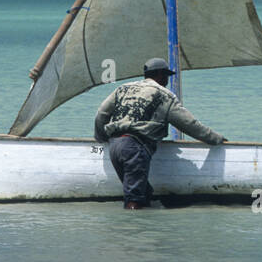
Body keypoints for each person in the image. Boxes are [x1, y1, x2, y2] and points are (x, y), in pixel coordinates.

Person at [94, 57, 227, 209]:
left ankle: (147, 226)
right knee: (134, 199)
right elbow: (189, 124)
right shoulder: (165, 95)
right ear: (159, 74)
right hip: (135, 147)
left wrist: (101, 137)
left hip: (115, 146)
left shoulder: (123, 88)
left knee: (144, 193)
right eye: (166, 75)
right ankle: (131, 228)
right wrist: (215, 138)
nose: (167, 80)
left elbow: (101, 113)